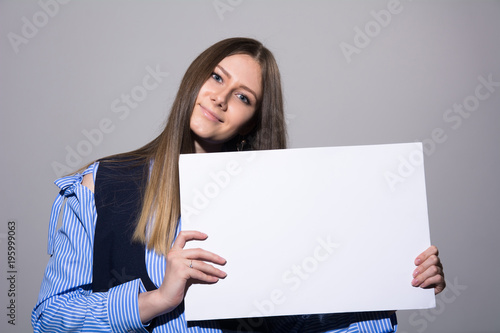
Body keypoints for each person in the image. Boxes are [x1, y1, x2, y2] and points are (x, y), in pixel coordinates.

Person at [32, 37, 445, 332]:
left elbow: (306, 322)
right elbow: (49, 319)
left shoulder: (281, 202)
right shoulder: (102, 185)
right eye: (216, 77)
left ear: (253, 121)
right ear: (194, 79)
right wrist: (157, 300)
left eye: (243, 97)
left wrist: (393, 281)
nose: (220, 98)